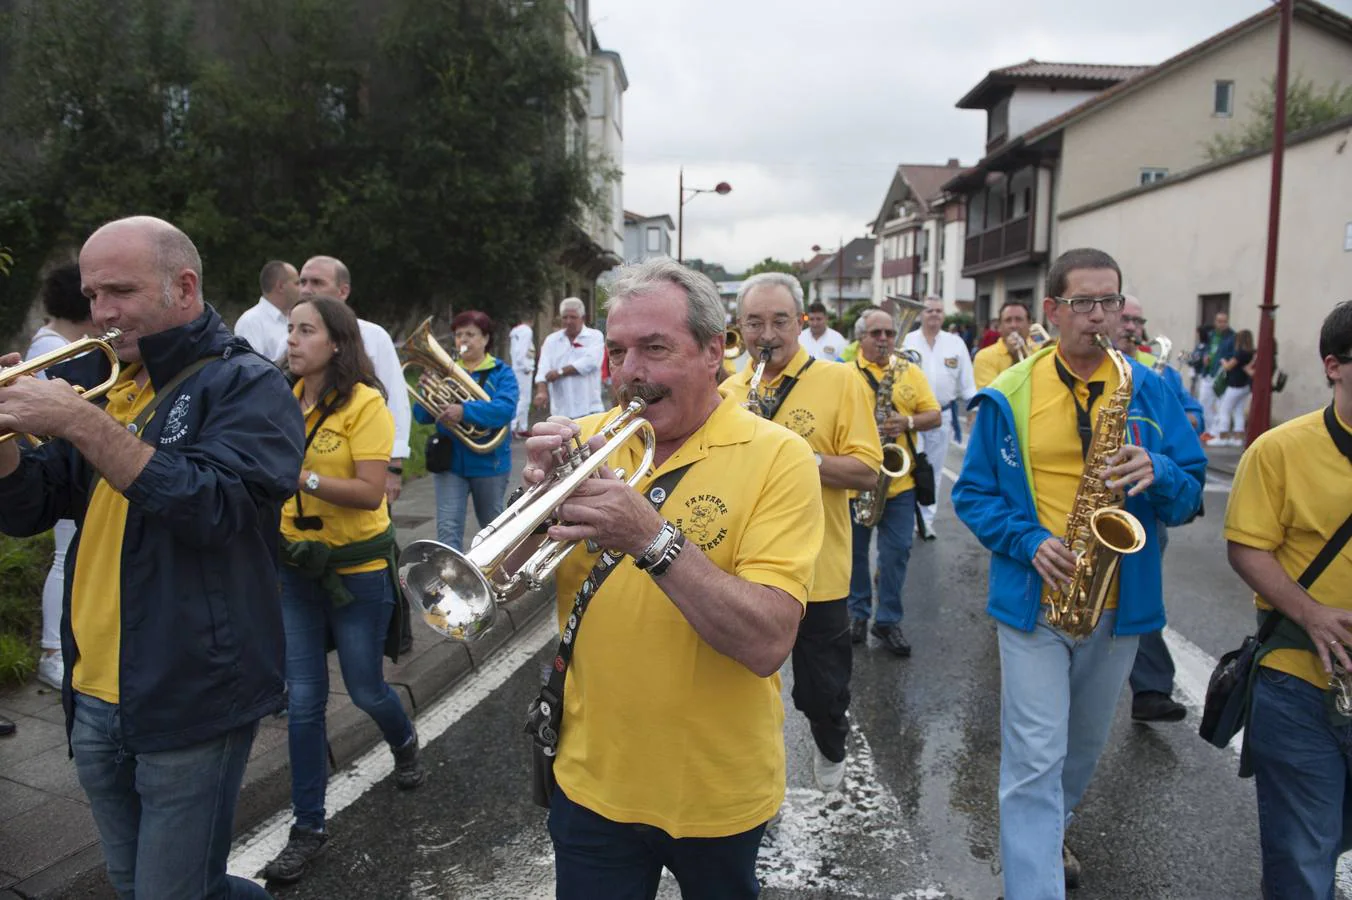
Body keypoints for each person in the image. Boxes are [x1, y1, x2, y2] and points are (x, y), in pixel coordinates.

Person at [0, 215, 304, 898]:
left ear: (184, 286)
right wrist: (7, 435)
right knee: (135, 880)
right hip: (97, 691)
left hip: (191, 692)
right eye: (91, 294)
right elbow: (27, 509)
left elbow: (216, 508)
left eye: (119, 292)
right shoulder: (110, 381)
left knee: (168, 891)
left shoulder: (249, 384)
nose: (99, 313)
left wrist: (80, 422)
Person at [524, 258, 824, 897]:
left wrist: (650, 538)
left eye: (655, 349)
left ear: (714, 352)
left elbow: (768, 641)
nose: (630, 372)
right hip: (590, 781)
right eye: (618, 350)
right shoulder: (584, 440)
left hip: (716, 791)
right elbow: (516, 576)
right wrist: (529, 513)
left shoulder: (779, 458)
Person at [952, 248, 1205, 897]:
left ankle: (1045, 832)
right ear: (1053, 310)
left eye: (1110, 302)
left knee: (1082, 749)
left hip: (1120, 602)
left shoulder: (1149, 387)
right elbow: (973, 495)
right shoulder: (1010, 391)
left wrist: (1164, 472)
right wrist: (1029, 540)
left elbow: (1192, 494)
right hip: (1035, 597)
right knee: (1035, 758)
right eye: (1085, 303)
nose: (1101, 317)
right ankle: (1034, 882)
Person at [263, 297, 425, 884]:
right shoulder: (281, 397)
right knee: (303, 703)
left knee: (364, 689)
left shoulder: (366, 402)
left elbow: (369, 492)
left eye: (306, 330)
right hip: (294, 566)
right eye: (290, 329)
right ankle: (308, 829)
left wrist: (300, 476)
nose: (293, 340)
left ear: (336, 342)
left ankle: (404, 739)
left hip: (356, 568)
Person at [720, 272, 880, 792]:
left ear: (802, 323)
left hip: (820, 570)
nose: (767, 334)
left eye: (779, 321)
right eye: (754, 322)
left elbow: (866, 470)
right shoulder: (727, 391)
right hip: (740, 569)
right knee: (739, 688)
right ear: (739, 327)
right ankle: (750, 784)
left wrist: (795, 457)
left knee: (821, 690)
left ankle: (831, 740)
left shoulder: (841, 380)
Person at [1227, 300, 1352, 899]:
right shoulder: (1277, 451)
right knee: (1302, 859)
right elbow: (1247, 549)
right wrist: (1312, 614)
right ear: (1333, 366)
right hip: (1299, 684)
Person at [1115, 295, 1205, 724]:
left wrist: (1186, 425)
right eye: (1125, 318)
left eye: (1138, 320)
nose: (1132, 327)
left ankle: (1149, 689)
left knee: (1138, 591)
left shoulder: (1156, 373)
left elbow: (1192, 413)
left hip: (1146, 506)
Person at [847, 308, 942, 657]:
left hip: (899, 484)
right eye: (877, 333)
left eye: (889, 333)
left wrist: (907, 423)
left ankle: (887, 620)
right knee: (854, 554)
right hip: (856, 481)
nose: (885, 339)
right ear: (862, 337)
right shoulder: (843, 375)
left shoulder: (909, 371)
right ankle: (856, 613)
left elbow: (934, 415)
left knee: (897, 552)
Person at [25, 262, 93, 693]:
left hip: (65, 462)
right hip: (60, 465)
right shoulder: (55, 349)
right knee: (64, 560)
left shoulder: (57, 342)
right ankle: (53, 651)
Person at [298, 255, 411, 505]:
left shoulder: (373, 336)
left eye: (317, 282)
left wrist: (394, 466)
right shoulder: (290, 336)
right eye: (302, 281)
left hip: (360, 467)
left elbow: (394, 400)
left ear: (343, 291)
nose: (306, 289)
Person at [411, 310, 517, 551]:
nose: (463, 340)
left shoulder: (501, 373)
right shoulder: (443, 371)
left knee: (492, 526)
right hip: (450, 462)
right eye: (459, 335)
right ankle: (451, 580)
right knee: (448, 528)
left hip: (489, 463)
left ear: (485, 339)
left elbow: (504, 410)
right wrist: (426, 392)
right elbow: (421, 416)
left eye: (471, 334)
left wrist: (464, 411)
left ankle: (496, 578)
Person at [902, 297, 976, 539]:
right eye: (929, 310)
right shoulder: (907, 341)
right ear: (921, 314)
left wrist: (973, 412)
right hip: (910, 416)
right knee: (909, 467)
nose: (934, 314)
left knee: (932, 469)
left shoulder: (955, 343)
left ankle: (926, 520)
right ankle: (906, 515)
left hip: (942, 415)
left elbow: (967, 383)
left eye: (939, 311)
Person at [533, 297, 604, 418]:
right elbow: (543, 367)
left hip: (590, 408)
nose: (568, 321)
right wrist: (541, 392)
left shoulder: (595, 336)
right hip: (561, 410)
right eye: (565, 317)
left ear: (583, 318)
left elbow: (590, 363)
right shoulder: (552, 340)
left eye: (573, 317)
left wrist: (560, 372)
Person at [234, 260, 300, 362]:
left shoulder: (293, 319)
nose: (302, 289)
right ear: (281, 286)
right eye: (297, 283)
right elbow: (251, 368)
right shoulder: (250, 322)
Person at [973, 301, 1033, 391]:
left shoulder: (1041, 350)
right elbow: (993, 397)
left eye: (1019, 319)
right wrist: (1015, 359)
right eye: (1008, 320)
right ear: (1000, 326)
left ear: (1029, 324)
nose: (1014, 325)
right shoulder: (984, 357)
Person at [1214, 328, 1256, 447]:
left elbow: (1228, 367)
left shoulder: (1240, 353)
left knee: (1224, 409)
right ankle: (1238, 438)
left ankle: (1223, 436)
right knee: (1238, 411)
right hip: (1244, 386)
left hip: (1235, 385)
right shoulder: (1251, 353)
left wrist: (1222, 361)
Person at [1198, 310, 1235, 439]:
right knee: (1204, 402)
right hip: (1208, 372)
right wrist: (1204, 356)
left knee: (1220, 405)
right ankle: (1209, 430)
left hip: (1221, 376)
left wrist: (1226, 363)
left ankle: (1216, 432)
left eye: (1224, 321)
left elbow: (1233, 355)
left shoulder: (1232, 337)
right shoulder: (1211, 335)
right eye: (1219, 321)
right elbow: (1206, 349)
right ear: (1215, 322)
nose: (1222, 324)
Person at [509, 317, 536, 437]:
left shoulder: (515, 332)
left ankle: (521, 426)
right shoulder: (526, 331)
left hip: (517, 367)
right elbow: (522, 351)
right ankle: (514, 426)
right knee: (524, 400)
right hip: (524, 369)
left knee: (522, 399)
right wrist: (525, 366)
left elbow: (514, 351)